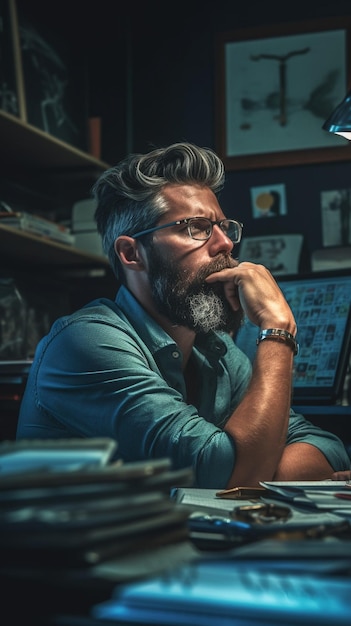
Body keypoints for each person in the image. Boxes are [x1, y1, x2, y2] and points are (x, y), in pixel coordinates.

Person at [16, 142, 350, 488]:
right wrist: (277, 328)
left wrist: (256, 472)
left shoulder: (214, 348)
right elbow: (231, 475)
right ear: (132, 253)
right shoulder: (85, 343)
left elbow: (328, 448)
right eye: (197, 227)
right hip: (81, 543)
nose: (225, 244)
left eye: (223, 227)